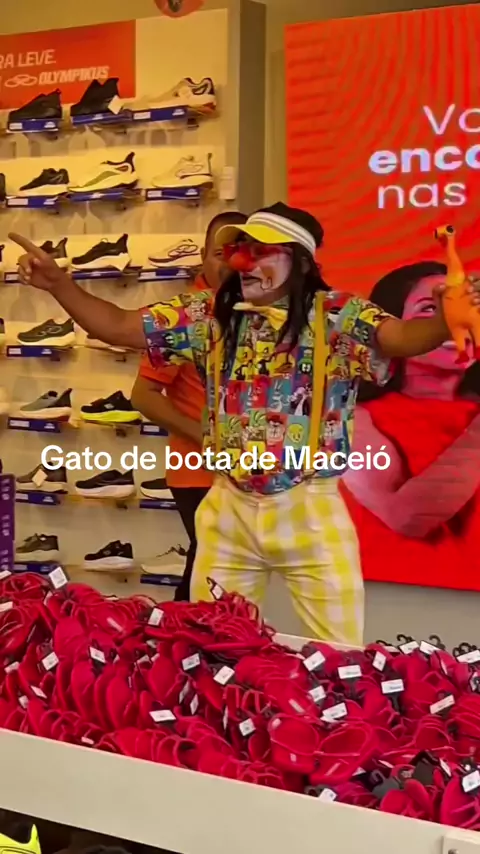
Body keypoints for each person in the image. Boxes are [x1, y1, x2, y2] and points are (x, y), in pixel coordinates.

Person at [10, 203, 480, 643]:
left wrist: (444, 320)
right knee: (211, 643)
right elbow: (118, 326)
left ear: (299, 261)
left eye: (261, 251)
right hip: (228, 505)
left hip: (309, 509)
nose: (242, 261)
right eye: (239, 249)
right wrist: (60, 285)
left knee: (338, 653)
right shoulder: (206, 313)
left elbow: (399, 337)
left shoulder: (338, 315)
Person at [341, 261, 480, 592]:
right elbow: (407, 517)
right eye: (430, 308)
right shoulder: (354, 418)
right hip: (402, 601)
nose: (453, 321)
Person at [131, 211, 247, 601]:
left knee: (220, 577)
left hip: (242, 472)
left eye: (240, 253)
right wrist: (208, 440)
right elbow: (143, 395)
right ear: (202, 257)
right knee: (209, 573)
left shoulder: (254, 313)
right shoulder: (187, 316)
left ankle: (183, 635)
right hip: (198, 472)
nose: (230, 264)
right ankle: (173, 635)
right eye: (219, 254)